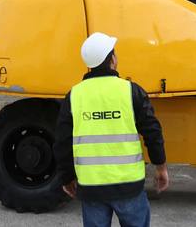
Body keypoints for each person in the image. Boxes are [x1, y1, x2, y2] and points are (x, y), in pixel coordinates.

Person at [56, 32, 169, 227]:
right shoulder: (131, 91)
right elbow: (152, 131)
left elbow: (62, 142)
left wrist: (67, 178)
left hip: (92, 189)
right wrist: (160, 167)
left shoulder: (74, 96)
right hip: (129, 188)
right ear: (113, 60)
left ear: (90, 64)